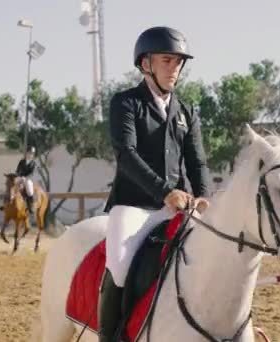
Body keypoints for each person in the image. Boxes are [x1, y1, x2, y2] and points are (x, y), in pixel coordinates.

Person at [98, 26, 211, 341]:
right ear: (146, 63)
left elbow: (197, 162)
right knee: (119, 267)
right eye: (167, 60)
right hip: (133, 206)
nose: (174, 68)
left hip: (179, 208)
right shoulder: (126, 103)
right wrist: (165, 192)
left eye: (178, 62)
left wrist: (203, 195)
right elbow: (126, 155)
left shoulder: (186, 112)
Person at [14, 146, 38, 214]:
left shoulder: (33, 163)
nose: (30, 155)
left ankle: (31, 205)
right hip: (20, 177)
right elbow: (17, 170)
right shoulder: (22, 161)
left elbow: (32, 173)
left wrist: (25, 178)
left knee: (29, 191)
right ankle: (9, 201)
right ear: (26, 153)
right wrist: (18, 175)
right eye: (29, 153)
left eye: (32, 154)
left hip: (28, 179)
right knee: (12, 184)